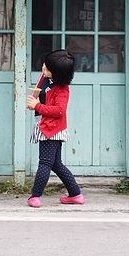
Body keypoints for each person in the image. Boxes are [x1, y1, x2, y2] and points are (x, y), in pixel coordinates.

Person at [26, 49, 84, 208]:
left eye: (47, 68)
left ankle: (35, 196)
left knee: (44, 163)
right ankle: (75, 194)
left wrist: (37, 105)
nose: (43, 68)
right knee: (56, 164)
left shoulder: (62, 89)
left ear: (58, 74)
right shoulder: (44, 77)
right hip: (44, 124)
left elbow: (59, 111)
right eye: (45, 64)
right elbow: (38, 93)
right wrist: (33, 103)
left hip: (50, 128)